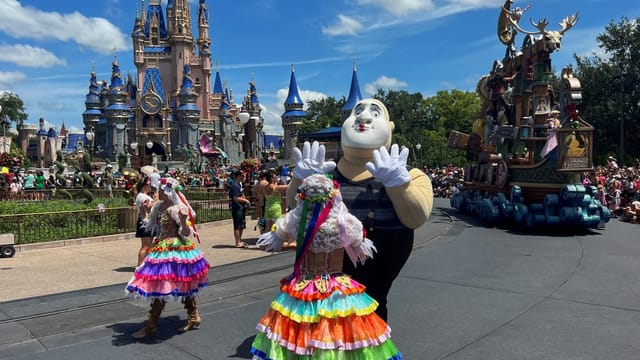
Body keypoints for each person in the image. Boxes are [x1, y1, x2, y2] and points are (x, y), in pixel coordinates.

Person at [286, 98, 433, 321]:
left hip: (376, 272)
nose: (363, 118)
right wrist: (300, 181)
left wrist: (399, 186)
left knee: (370, 310)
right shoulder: (324, 171)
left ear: (390, 127)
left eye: (375, 113)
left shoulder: (409, 174)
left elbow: (416, 218)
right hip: (325, 271)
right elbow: (293, 207)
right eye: (357, 112)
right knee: (326, 315)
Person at [251, 174, 401, 359]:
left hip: (302, 286)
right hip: (336, 286)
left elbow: (272, 241)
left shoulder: (297, 220)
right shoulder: (344, 221)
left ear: (303, 196)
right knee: (338, 336)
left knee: (299, 332)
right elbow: (361, 247)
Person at [126, 176, 210, 339]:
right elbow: (149, 224)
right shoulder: (158, 206)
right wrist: (143, 211)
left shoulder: (175, 209)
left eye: (161, 190)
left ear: (168, 192)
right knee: (177, 283)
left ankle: (151, 325)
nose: (158, 191)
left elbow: (186, 233)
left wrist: (184, 220)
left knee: (163, 286)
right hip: (162, 246)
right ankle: (193, 316)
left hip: (175, 249)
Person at [133, 174, 158, 266]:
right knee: (145, 246)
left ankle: (145, 263)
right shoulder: (142, 196)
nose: (150, 186)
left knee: (149, 245)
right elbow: (148, 207)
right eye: (149, 184)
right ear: (144, 186)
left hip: (149, 222)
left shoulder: (144, 196)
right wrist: (156, 199)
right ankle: (139, 265)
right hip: (145, 223)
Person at [229, 170, 251, 248]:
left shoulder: (239, 185)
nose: (244, 177)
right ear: (238, 176)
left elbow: (241, 194)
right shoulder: (235, 185)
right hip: (237, 208)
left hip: (241, 208)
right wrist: (245, 200)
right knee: (237, 226)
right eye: (242, 176)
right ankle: (237, 242)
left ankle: (240, 241)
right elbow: (236, 198)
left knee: (241, 225)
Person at [262, 171, 288, 235]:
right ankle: (273, 242)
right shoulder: (276, 187)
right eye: (275, 177)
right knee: (275, 226)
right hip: (276, 208)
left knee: (267, 227)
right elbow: (287, 186)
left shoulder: (265, 187)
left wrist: (276, 183)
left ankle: (265, 242)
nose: (276, 177)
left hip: (267, 207)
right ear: (271, 179)